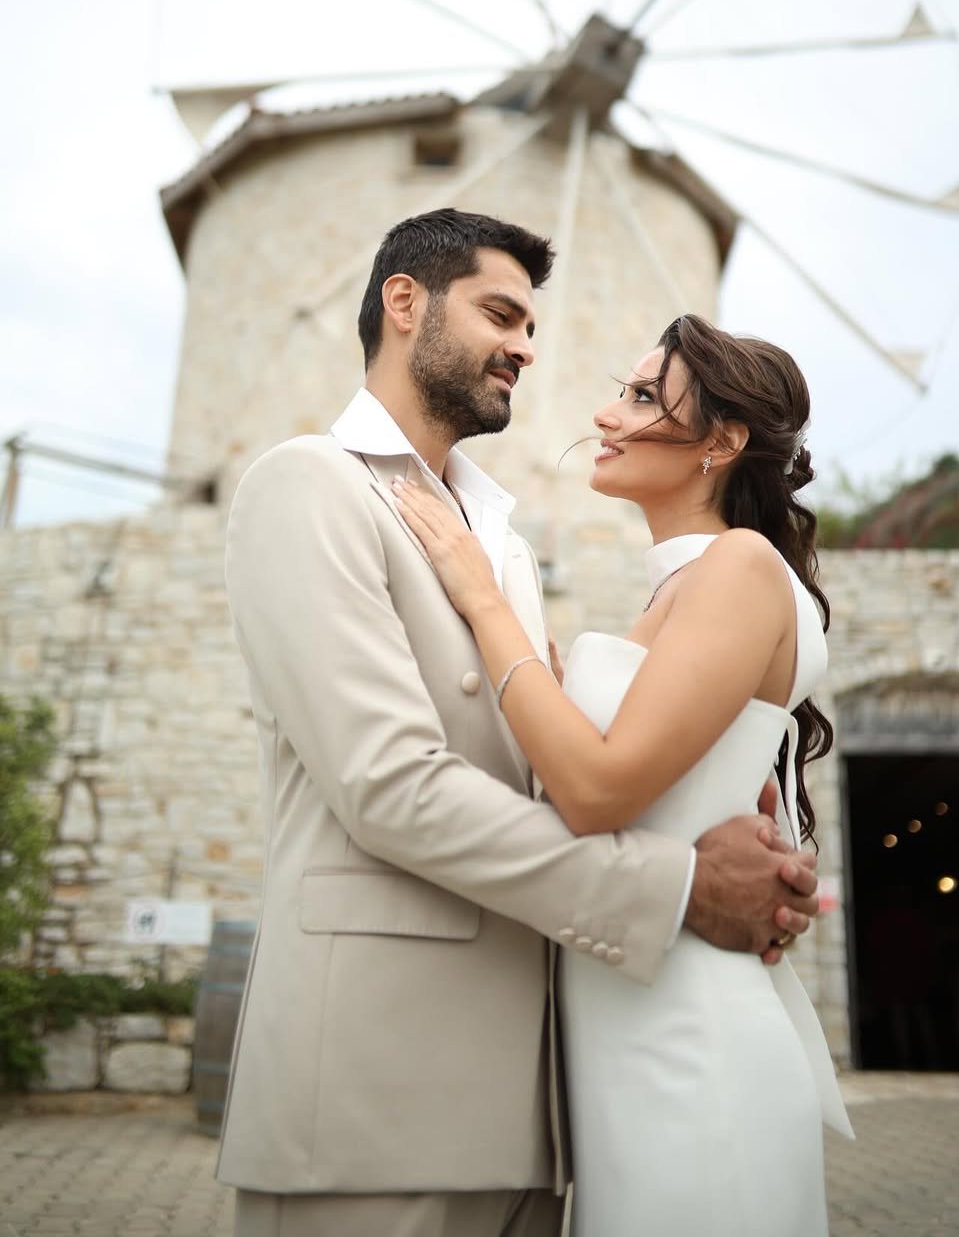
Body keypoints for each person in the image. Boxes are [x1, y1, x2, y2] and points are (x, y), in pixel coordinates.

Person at [219, 208, 821, 1237]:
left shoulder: (495, 545)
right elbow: (391, 788)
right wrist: (678, 880)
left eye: (532, 325)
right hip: (377, 1095)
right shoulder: (309, 485)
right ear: (404, 303)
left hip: (543, 1112)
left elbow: (552, 777)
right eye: (501, 314)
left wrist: (710, 809)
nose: (528, 347)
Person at [394, 310, 855, 1237]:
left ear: (722, 442)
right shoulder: (681, 587)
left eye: (644, 397)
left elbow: (599, 790)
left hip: (689, 1042)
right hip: (623, 1027)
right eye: (623, 391)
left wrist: (484, 601)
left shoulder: (739, 567)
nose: (607, 415)